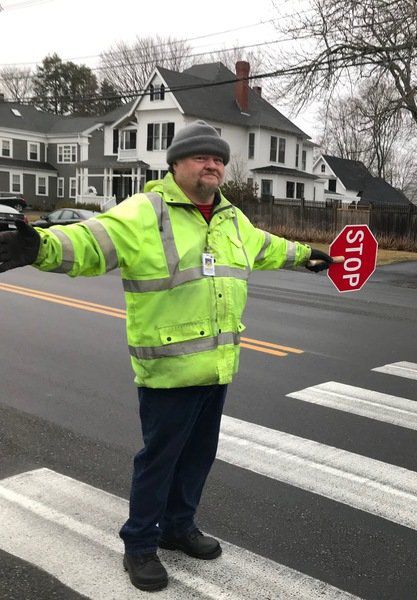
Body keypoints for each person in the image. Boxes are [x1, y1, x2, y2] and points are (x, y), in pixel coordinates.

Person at [0, 120, 342, 592]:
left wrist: (307, 255)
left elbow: (266, 246)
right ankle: (140, 545)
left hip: (217, 364)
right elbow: (90, 241)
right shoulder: (147, 211)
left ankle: (179, 528)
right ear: (176, 163)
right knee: (160, 459)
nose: (213, 164)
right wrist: (39, 245)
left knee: (199, 456)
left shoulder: (229, 219)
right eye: (202, 156)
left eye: (219, 158)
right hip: (167, 368)